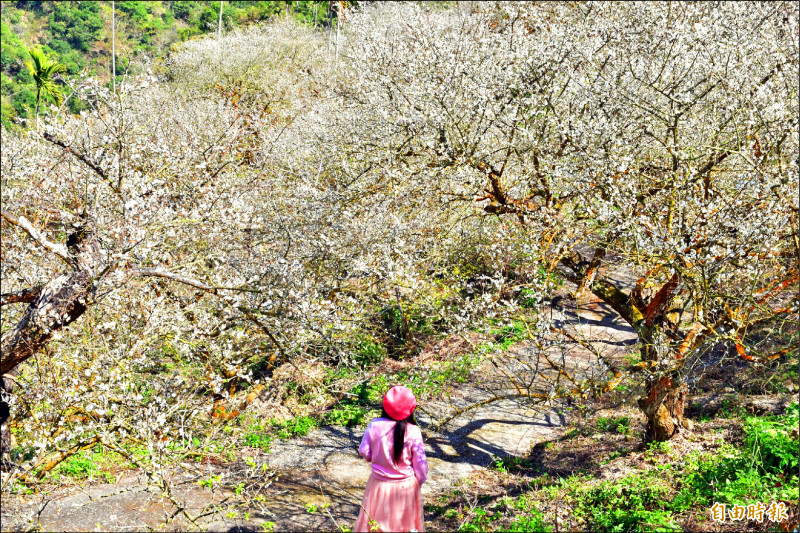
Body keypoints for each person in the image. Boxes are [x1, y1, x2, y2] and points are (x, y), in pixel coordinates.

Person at [354, 385, 428, 532]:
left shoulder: (374, 425)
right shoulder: (413, 430)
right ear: (411, 409)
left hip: (378, 484)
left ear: (385, 406)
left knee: (376, 523)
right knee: (404, 525)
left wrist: (373, 458)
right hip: (405, 486)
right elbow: (420, 463)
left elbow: (364, 450)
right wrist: (419, 480)